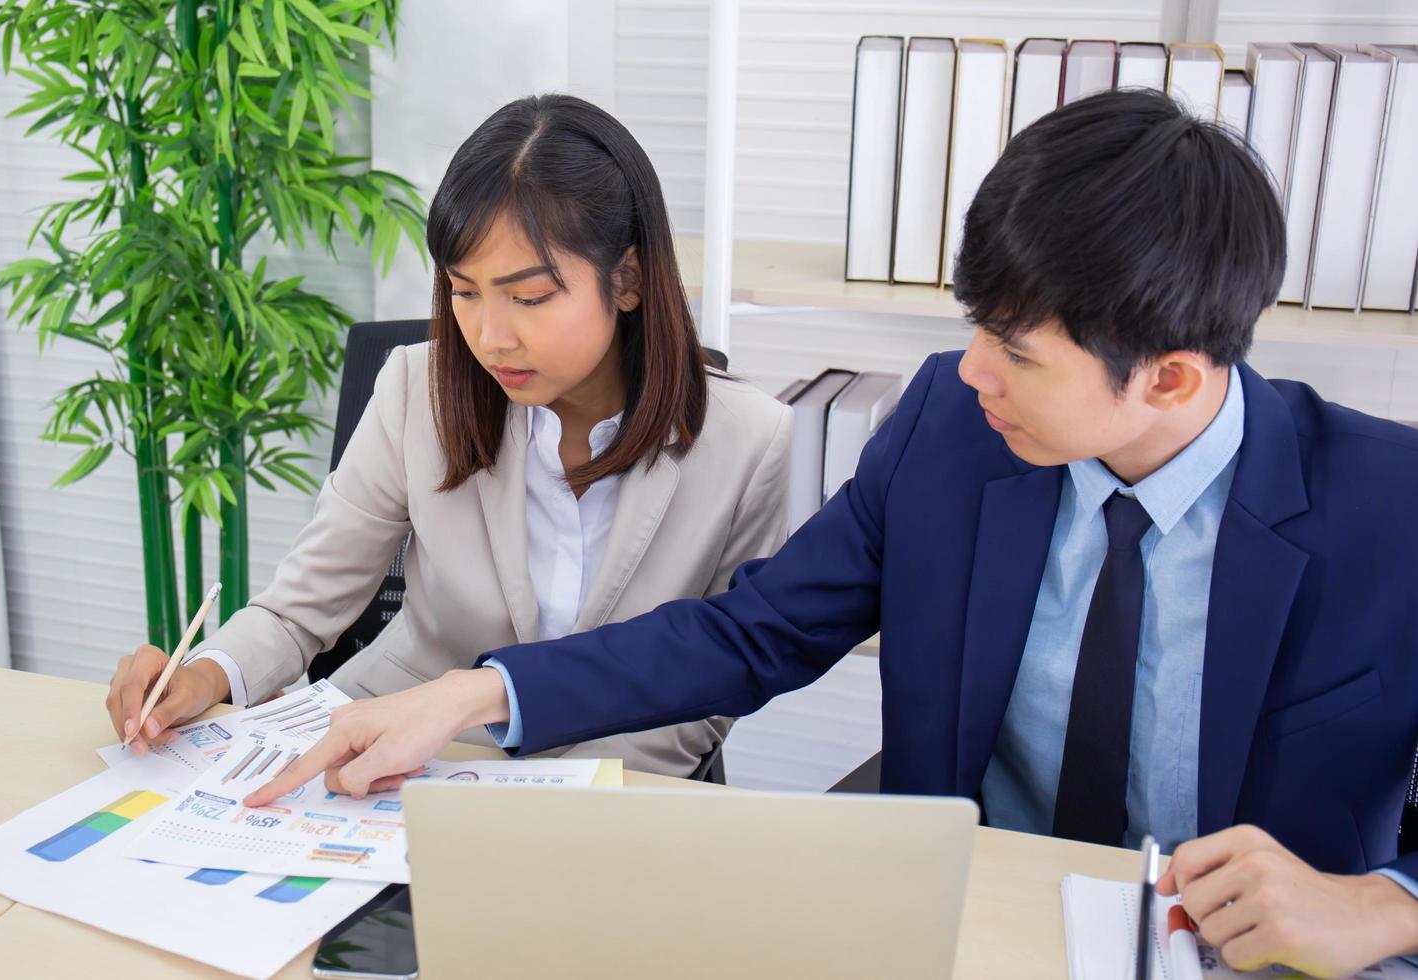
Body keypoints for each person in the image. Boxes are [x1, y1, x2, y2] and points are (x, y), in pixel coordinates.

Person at [249, 90, 1418, 974]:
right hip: (968, 927)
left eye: (1015, 351)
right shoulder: (949, 431)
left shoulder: (1389, 509)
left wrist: (1389, 901)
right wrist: (477, 694)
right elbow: (750, 632)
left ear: (1167, 377)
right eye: (976, 326)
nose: (968, 371)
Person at [103, 94, 793, 780]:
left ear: (629, 279)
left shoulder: (749, 441)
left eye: (528, 297)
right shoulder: (416, 388)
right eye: (465, 292)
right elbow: (301, 608)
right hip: (401, 750)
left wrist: (578, 805)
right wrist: (207, 676)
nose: (490, 338)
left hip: (609, 781)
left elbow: (711, 681)